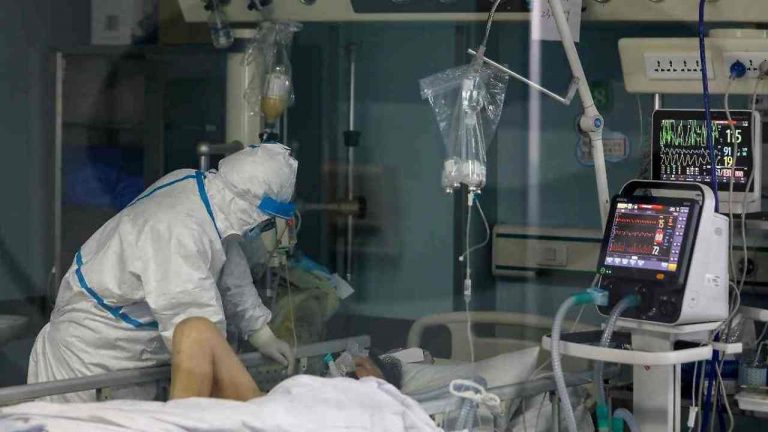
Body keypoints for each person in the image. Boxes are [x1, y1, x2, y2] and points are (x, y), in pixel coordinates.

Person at [28, 144, 298, 402]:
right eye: (263, 222)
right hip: (88, 360)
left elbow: (230, 262)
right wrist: (251, 403)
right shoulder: (178, 230)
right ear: (249, 209)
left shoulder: (202, 191)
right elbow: (198, 334)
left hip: (127, 361)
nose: (259, 230)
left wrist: (261, 333)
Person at [168, 316, 402, 400]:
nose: (354, 364)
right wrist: (263, 336)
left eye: (362, 365)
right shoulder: (314, 386)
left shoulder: (380, 406)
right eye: (359, 363)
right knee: (195, 330)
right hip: (266, 408)